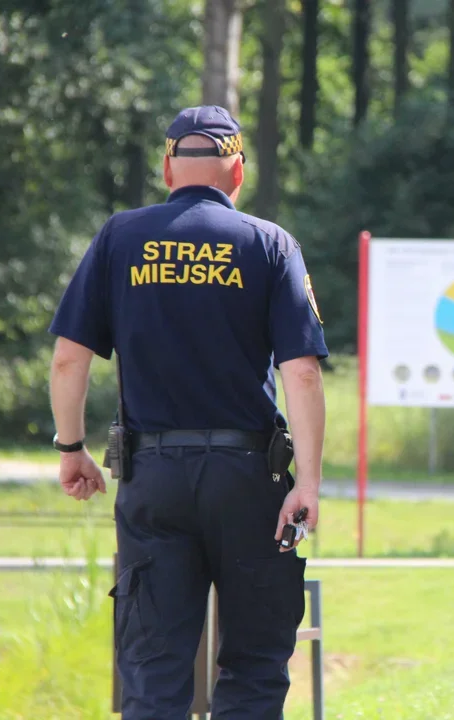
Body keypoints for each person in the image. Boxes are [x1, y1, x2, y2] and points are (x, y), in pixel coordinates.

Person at [47, 105, 328, 719]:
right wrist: (306, 482)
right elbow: (301, 371)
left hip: (154, 481)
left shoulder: (120, 237)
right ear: (238, 171)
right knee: (254, 664)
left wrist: (72, 449)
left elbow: (70, 359)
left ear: (167, 166)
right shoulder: (270, 243)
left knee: (154, 669)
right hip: (249, 481)